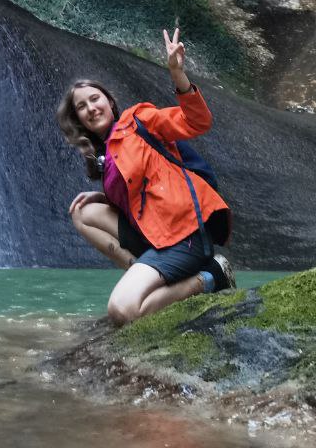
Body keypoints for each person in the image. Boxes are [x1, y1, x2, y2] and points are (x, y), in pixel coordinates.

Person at [57, 26, 236, 325]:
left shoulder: (138, 120)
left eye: (94, 99)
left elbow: (197, 121)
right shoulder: (106, 159)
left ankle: (211, 277)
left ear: (110, 102)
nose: (90, 108)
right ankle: (141, 274)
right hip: (154, 238)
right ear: (79, 121)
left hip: (184, 234)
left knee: (122, 310)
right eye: (81, 107)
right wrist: (104, 197)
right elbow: (140, 200)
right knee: (82, 211)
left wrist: (178, 74)